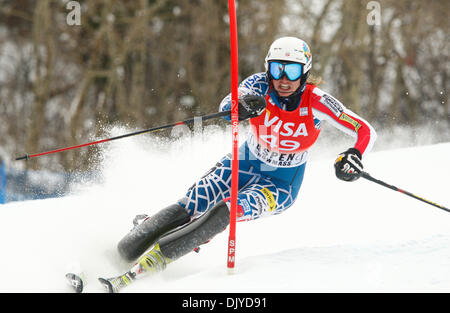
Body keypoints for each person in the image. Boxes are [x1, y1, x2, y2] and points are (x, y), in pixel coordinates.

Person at [98, 36, 377, 293]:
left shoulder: (316, 101)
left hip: (279, 184)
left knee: (224, 213)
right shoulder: (259, 85)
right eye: (277, 68)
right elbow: (226, 106)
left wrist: (355, 154)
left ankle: (143, 269)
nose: (283, 79)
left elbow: (364, 129)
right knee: (191, 205)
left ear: (304, 72)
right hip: (244, 162)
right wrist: (240, 106)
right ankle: (120, 253)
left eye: (292, 71)